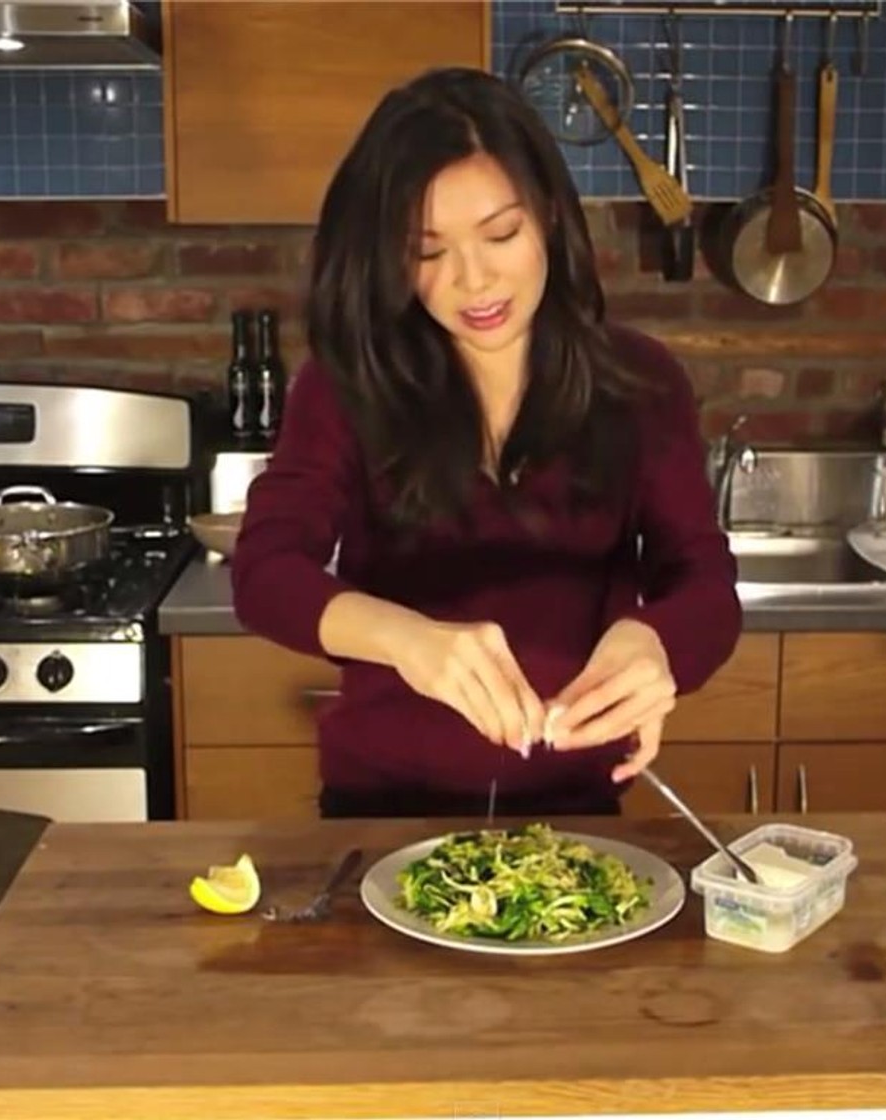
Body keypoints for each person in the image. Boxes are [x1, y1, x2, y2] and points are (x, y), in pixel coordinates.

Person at [231, 67, 741, 819]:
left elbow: (703, 582)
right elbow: (265, 573)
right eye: (427, 251)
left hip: (577, 811)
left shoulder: (641, 384)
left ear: (551, 219)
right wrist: (411, 642)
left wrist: (656, 642)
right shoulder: (347, 385)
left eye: (501, 233)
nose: (474, 281)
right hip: (379, 811)